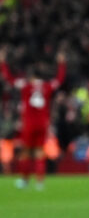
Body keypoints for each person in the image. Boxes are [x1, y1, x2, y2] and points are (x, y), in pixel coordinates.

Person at [0, 49, 66, 190]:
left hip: (29, 123)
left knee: (26, 152)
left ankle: (24, 180)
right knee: (39, 152)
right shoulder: (47, 86)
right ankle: (40, 182)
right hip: (43, 123)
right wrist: (61, 64)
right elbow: (59, 80)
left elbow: (9, 78)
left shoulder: (26, 85)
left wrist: (2, 63)